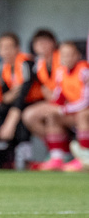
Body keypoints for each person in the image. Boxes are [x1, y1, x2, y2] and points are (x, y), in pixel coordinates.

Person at [25, 42, 89, 171]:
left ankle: (85, 157)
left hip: (82, 110)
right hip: (72, 110)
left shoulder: (84, 70)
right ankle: (58, 157)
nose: (67, 58)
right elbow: (59, 96)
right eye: (64, 55)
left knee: (83, 115)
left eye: (70, 55)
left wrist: (63, 109)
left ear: (77, 55)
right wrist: (54, 107)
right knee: (52, 115)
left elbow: (85, 101)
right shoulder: (60, 71)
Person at [0, 32, 43, 156]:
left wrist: (11, 120)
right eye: (2, 48)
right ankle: (4, 147)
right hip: (16, 102)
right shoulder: (1, 68)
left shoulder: (26, 63)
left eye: (9, 47)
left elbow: (24, 92)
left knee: (21, 114)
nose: (5, 51)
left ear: (17, 48)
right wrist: (9, 96)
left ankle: (24, 150)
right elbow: (4, 96)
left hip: (33, 101)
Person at [21, 29, 65, 170]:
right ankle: (58, 151)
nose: (41, 45)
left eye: (45, 42)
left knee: (49, 115)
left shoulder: (63, 58)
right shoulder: (38, 64)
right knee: (28, 115)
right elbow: (45, 90)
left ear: (53, 43)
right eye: (38, 42)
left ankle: (59, 154)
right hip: (54, 101)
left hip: (68, 101)